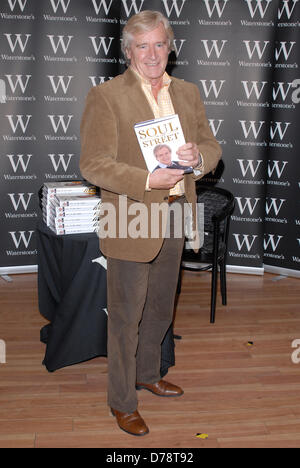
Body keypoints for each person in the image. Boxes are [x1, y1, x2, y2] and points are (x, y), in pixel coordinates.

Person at [80, 10, 221, 437]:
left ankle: (146, 373)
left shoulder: (189, 93)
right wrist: (145, 179)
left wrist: (198, 158)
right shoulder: (106, 96)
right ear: (128, 51)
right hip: (131, 214)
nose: (153, 54)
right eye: (143, 45)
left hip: (177, 212)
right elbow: (92, 164)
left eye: (160, 44)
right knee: (125, 316)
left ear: (170, 47)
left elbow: (212, 147)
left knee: (161, 308)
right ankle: (122, 401)